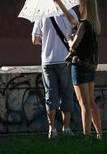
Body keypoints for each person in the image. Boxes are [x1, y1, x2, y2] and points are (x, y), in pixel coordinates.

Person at [53, 0, 102, 138]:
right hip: (91, 66)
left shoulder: (83, 25)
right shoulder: (94, 24)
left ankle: (87, 136)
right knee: (91, 102)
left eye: (80, 5)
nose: (78, 7)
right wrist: (60, 4)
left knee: (84, 104)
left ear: (84, 6)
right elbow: (72, 19)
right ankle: (99, 134)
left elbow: (73, 46)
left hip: (79, 66)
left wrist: (69, 39)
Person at [32, 10, 77, 139]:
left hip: (47, 61)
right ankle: (66, 128)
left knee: (50, 95)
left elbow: (35, 40)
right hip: (65, 59)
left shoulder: (41, 14)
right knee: (66, 93)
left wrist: (47, 41)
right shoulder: (70, 12)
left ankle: (52, 130)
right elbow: (77, 31)